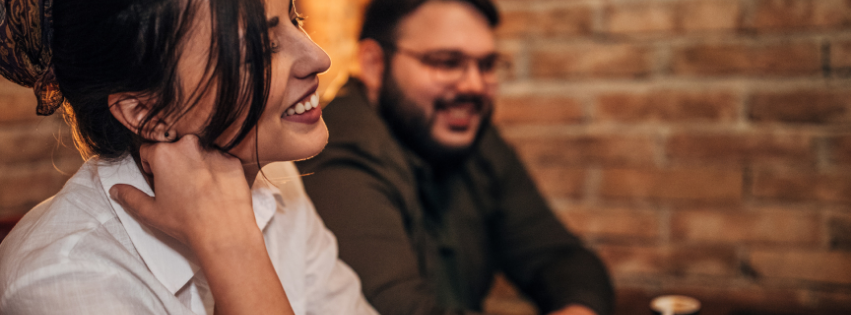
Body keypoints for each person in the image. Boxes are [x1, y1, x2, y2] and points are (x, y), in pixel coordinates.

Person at [0, 0, 377, 314]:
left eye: (297, 19)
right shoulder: (61, 278)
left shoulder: (273, 176)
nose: (319, 58)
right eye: (259, 48)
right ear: (145, 112)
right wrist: (235, 252)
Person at [294, 0, 616, 314]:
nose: (474, 85)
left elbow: (561, 259)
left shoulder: (469, 136)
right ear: (374, 65)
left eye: (486, 65)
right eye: (447, 62)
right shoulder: (340, 151)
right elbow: (398, 308)